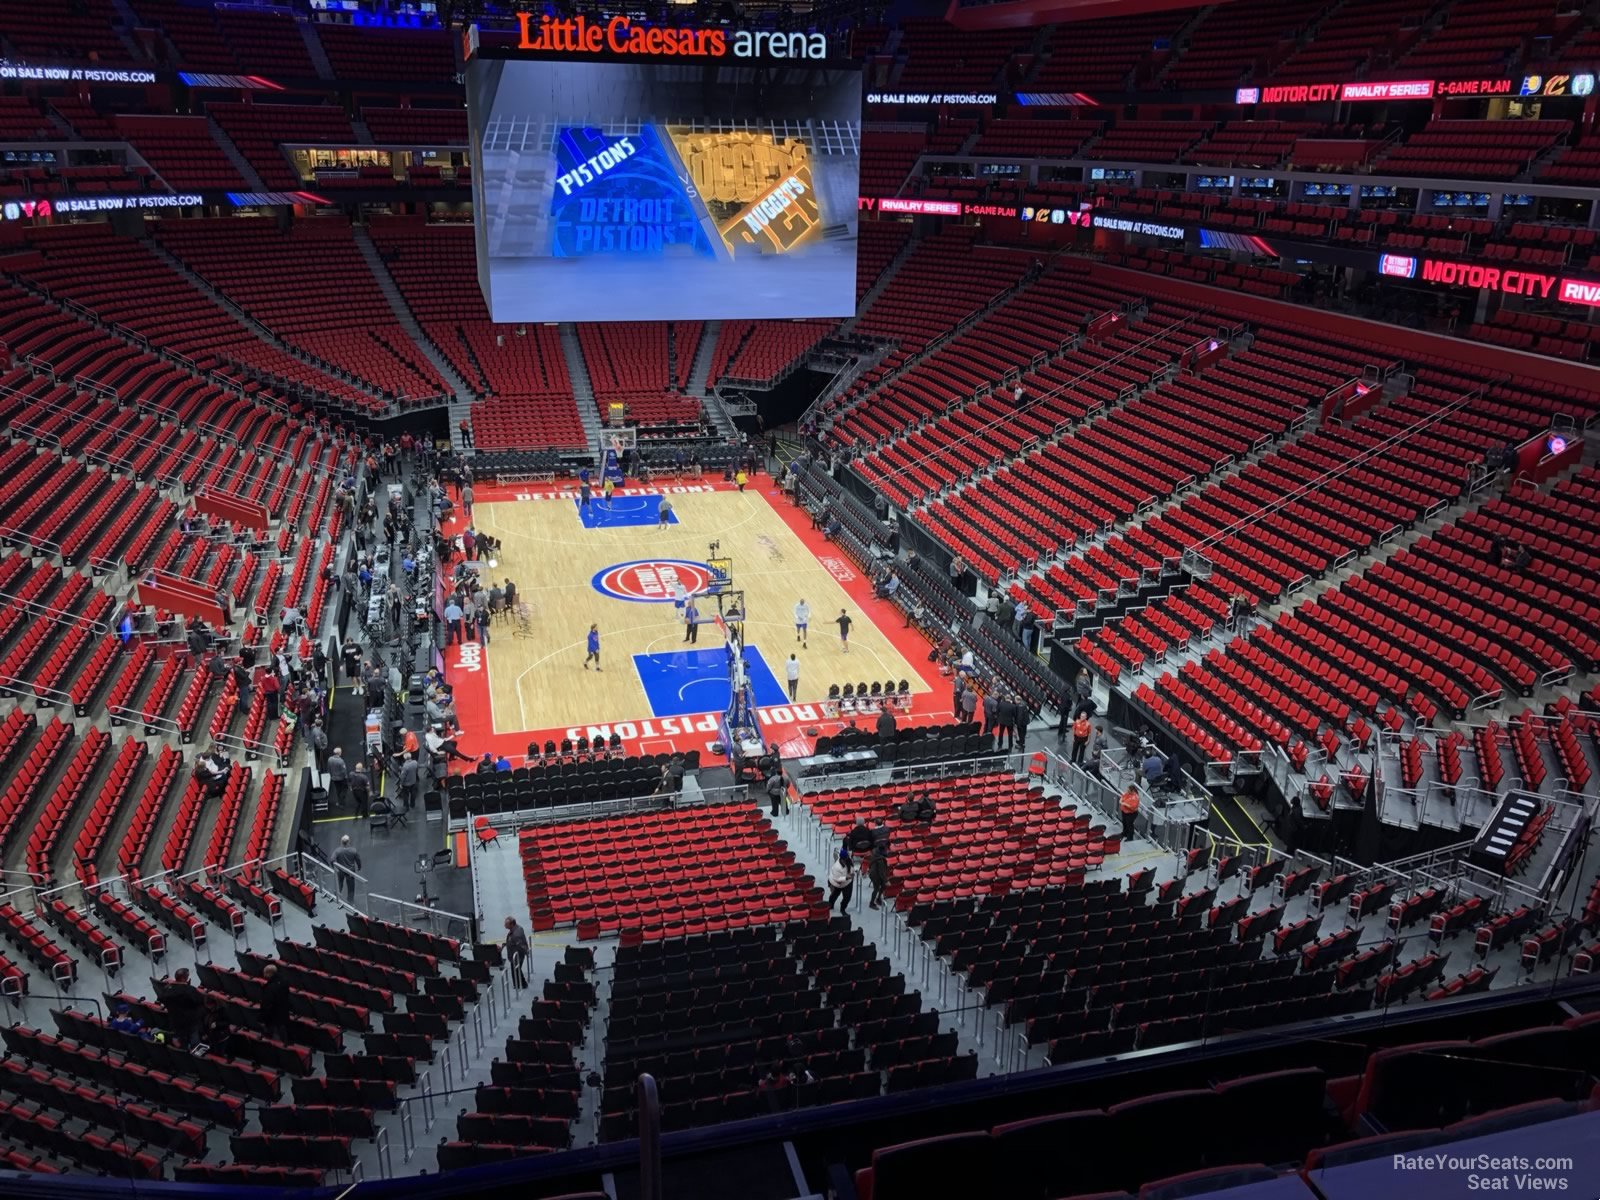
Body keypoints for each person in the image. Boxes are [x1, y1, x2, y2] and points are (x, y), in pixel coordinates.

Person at [162, 967, 204, 1047]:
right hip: (190, 1023)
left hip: (174, 1021)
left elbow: (162, 998)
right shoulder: (189, 990)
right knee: (194, 1043)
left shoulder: (167, 989)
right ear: (184, 978)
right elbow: (199, 1000)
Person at [257, 963, 292, 1039]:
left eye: (265, 973)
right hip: (284, 1015)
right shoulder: (284, 982)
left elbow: (267, 1006)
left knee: (275, 1038)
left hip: (273, 1019)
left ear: (269, 973)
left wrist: (262, 1019)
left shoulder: (270, 988)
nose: (264, 975)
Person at [332, 834, 362, 901]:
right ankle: (350, 901)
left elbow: (332, 860)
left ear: (341, 842)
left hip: (340, 871)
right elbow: (358, 860)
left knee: (339, 884)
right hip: (350, 872)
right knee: (351, 887)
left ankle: (336, 897)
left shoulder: (337, 851)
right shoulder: (353, 850)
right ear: (349, 842)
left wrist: (335, 868)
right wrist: (359, 866)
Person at [504, 916, 530, 989]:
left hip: (517, 955)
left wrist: (525, 953)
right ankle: (520, 984)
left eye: (506, 924)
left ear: (511, 924)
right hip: (515, 954)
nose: (504, 925)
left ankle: (520, 984)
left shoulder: (516, 934)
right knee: (517, 970)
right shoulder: (516, 928)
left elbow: (521, 946)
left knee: (515, 970)